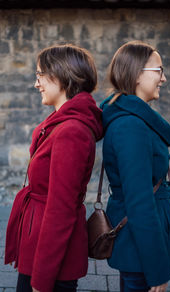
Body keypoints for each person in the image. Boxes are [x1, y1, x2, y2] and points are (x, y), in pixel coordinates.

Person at [5, 44, 103, 292]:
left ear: (62, 75)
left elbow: (61, 210)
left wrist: (42, 279)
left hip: (50, 258)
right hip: (38, 245)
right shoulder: (59, 124)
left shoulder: (71, 131)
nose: (36, 83)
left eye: (40, 75)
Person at [100, 40, 170, 292]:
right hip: (140, 249)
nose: (164, 78)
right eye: (159, 70)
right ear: (137, 74)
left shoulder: (135, 121)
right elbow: (139, 201)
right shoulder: (131, 126)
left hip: (141, 245)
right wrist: (157, 270)